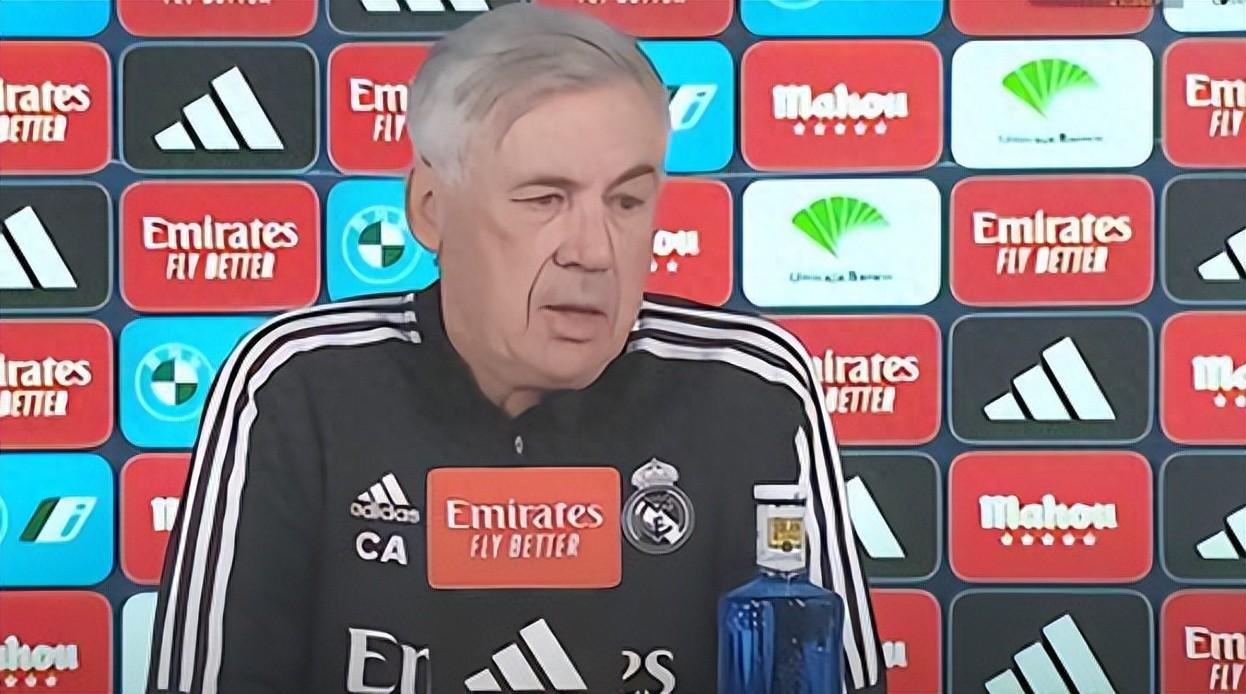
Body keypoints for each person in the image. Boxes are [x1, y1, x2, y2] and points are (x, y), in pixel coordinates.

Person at [147, 4, 886, 693]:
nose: (595, 250)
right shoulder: (296, 383)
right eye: (544, 199)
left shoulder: (750, 386)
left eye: (627, 201)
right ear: (430, 210)